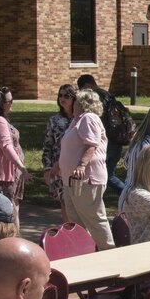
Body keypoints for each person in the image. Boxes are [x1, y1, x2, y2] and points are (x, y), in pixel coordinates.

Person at [57, 90, 115, 250]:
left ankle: (109, 252)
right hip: (72, 181)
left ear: (81, 104)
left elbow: (91, 144)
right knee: (76, 222)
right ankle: (84, 252)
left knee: (94, 219)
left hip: (87, 179)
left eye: (75, 101)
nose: (72, 104)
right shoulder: (76, 121)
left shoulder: (88, 118)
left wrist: (81, 165)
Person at [75, 74, 133, 195]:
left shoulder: (95, 97)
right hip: (116, 139)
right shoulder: (109, 95)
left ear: (85, 86)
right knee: (109, 173)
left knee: (107, 175)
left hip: (108, 142)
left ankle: (129, 196)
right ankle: (127, 196)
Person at [41, 84, 76, 202]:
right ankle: (67, 222)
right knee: (64, 201)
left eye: (67, 96)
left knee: (77, 204)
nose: (63, 98)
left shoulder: (80, 119)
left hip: (75, 166)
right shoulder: (54, 120)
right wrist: (47, 168)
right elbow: (48, 145)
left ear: (74, 98)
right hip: (58, 167)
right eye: (60, 95)